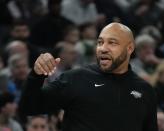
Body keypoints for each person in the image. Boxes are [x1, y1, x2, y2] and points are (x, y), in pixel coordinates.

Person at [19, 22, 157, 131]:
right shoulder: (75, 79)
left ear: (129, 48)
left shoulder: (144, 90)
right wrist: (36, 75)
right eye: (100, 42)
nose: (103, 48)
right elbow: (29, 107)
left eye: (112, 43)